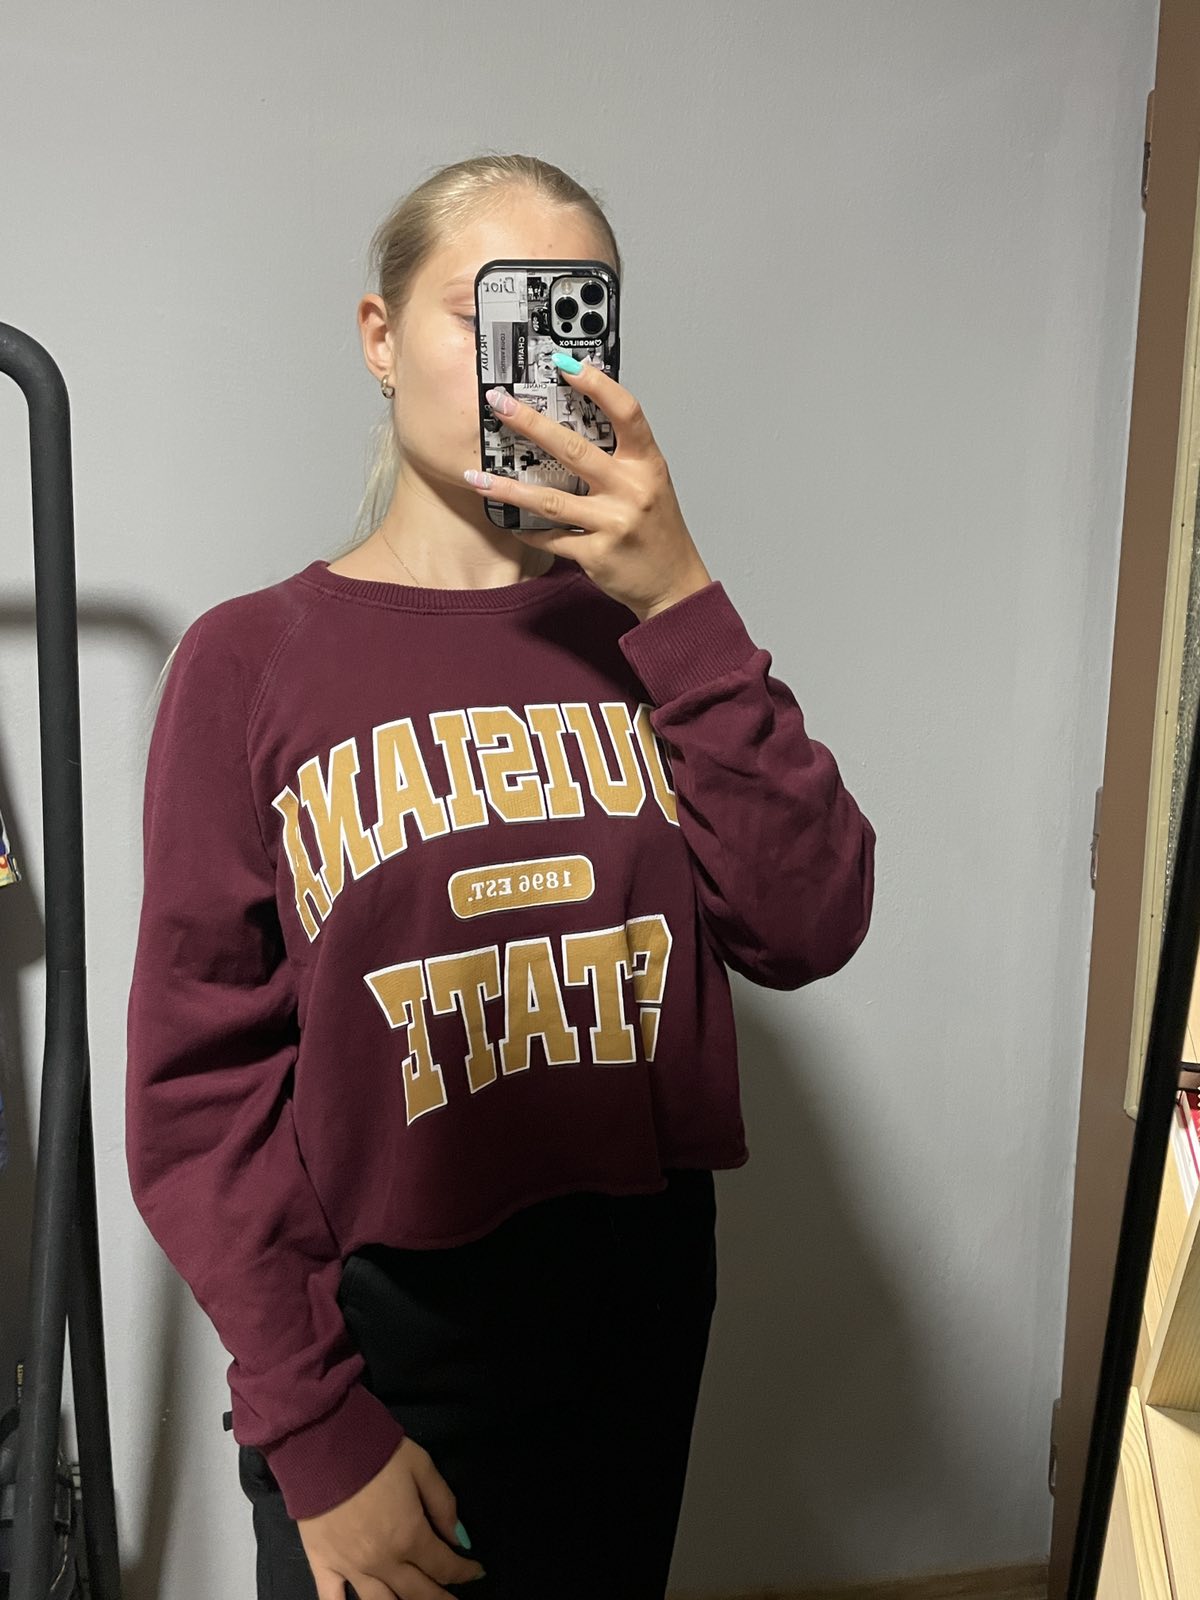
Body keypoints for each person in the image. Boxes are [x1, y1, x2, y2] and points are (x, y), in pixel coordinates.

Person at [124, 151, 877, 1600]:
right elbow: (196, 1091)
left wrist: (679, 599)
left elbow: (809, 920)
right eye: (489, 312)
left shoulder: (650, 635)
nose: (532, 365)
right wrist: (311, 1423)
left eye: (576, 318)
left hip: (638, 1310)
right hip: (380, 1340)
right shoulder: (249, 662)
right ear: (379, 336)